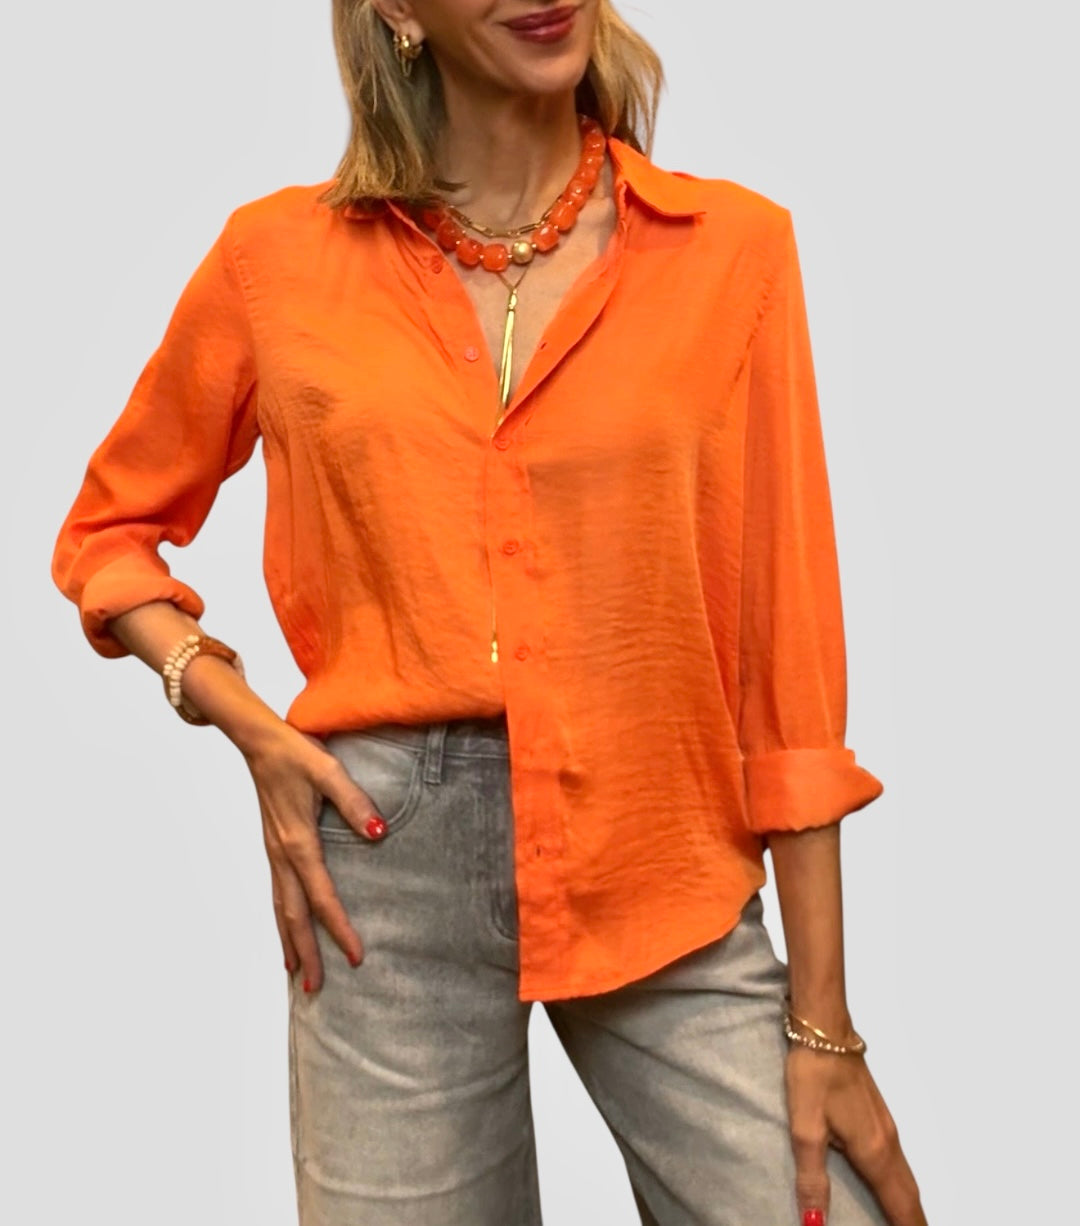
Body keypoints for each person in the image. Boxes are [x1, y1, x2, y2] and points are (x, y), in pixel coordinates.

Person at [50, 2, 929, 1223]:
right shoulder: (276, 261)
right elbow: (108, 534)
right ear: (398, 11)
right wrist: (245, 719)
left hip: (661, 853)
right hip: (384, 869)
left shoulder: (734, 250)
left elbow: (788, 657)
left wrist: (824, 1022)